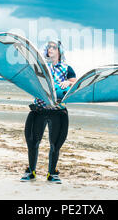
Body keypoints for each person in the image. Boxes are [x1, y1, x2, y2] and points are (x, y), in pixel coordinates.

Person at [20, 40, 76, 184]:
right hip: (39, 109)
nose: (50, 49)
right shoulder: (41, 67)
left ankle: (52, 173)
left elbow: (76, 83)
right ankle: (31, 172)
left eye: (53, 47)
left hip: (57, 111)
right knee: (32, 141)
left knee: (55, 144)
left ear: (59, 52)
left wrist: (69, 83)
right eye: (48, 47)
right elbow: (29, 78)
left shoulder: (66, 68)